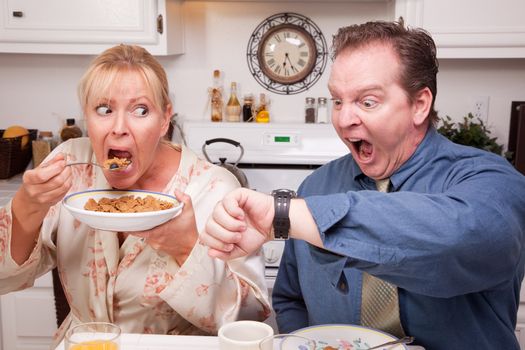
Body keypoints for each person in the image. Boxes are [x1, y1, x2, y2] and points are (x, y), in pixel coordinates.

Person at [201, 20, 525, 349]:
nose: (344, 119)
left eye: (367, 102)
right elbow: (290, 299)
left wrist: (285, 215)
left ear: (419, 105)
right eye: (337, 101)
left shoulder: (490, 181)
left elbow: (459, 238)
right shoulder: (316, 187)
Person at [0, 44, 270, 347]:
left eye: (141, 110)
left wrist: (186, 249)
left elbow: (251, 319)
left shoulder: (215, 188)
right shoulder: (71, 166)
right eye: (104, 109)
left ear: (165, 119)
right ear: (87, 116)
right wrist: (27, 206)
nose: (119, 128)